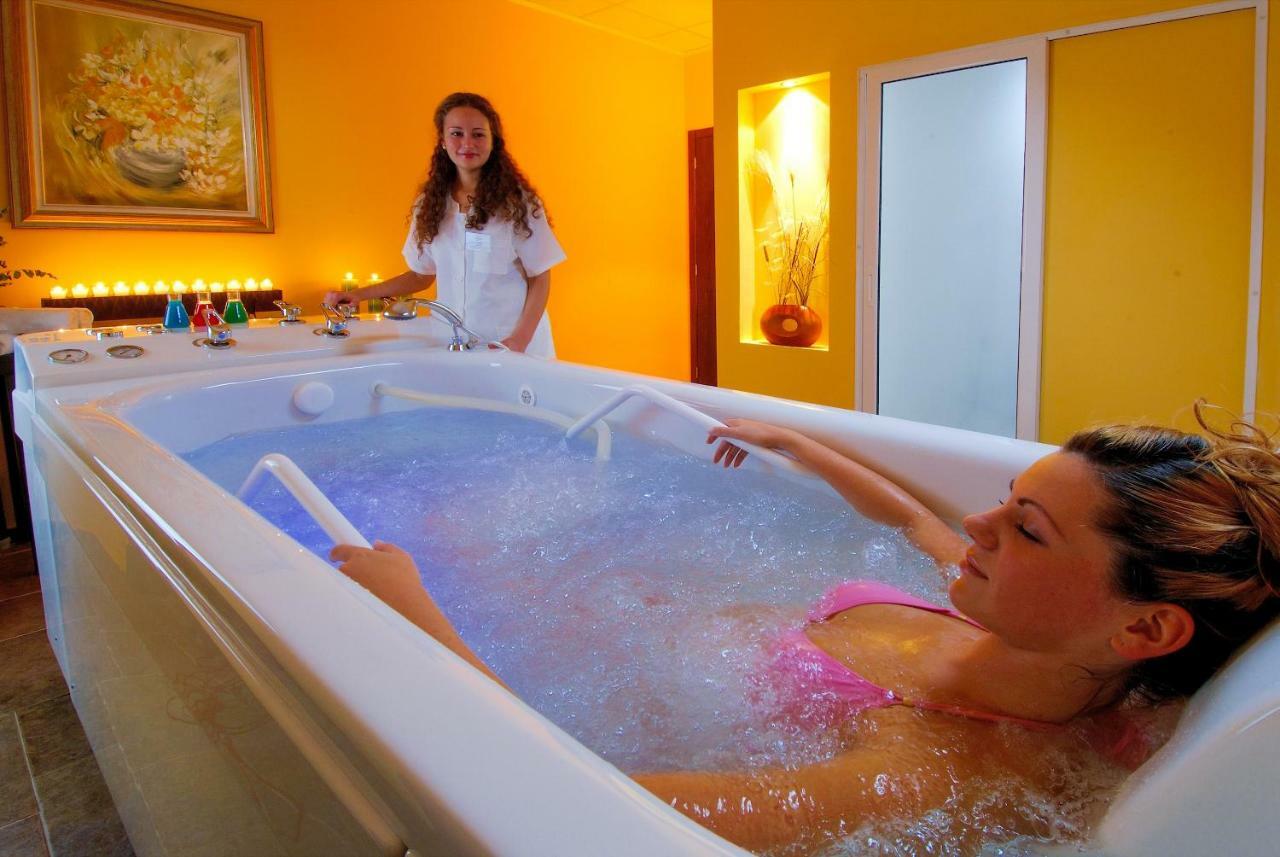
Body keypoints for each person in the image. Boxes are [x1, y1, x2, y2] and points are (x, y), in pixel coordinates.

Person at [329, 403, 1280, 853]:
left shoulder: (936, 768)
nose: (979, 524)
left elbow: (583, 805)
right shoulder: (997, 615)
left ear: (1145, 631)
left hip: (567, 660)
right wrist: (800, 444)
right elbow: (910, 518)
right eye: (1004, 496)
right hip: (631, 609)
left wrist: (413, 614)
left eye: (1027, 528)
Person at [326, 92, 565, 356]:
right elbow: (421, 275)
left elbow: (540, 277)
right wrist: (360, 295)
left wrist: (519, 340)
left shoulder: (518, 203)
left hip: (510, 345)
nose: (467, 143)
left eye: (478, 134)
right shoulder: (430, 205)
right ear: (442, 140)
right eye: (456, 133)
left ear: (493, 141)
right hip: (451, 344)